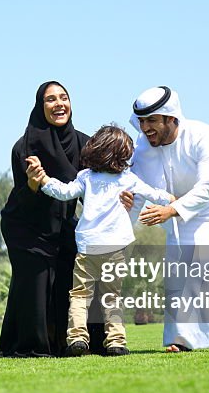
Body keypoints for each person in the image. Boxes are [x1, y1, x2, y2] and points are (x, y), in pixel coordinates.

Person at [122, 86, 209, 353]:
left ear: (171, 118)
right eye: (141, 121)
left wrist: (172, 211)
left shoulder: (202, 134)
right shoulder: (141, 150)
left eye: (152, 120)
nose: (145, 127)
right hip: (180, 209)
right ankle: (182, 340)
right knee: (179, 269)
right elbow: (136, 193)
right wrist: (119, 228)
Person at [29, 124, 175, 356]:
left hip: (88, 247)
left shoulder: (86, 177)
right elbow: (155, 194)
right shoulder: (128, 179)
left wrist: (45, 179)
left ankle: (77, 338)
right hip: (117, 247)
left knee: (79, 295)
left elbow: (64, 192)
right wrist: (176, 201)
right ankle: (116, 342)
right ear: (122, 155)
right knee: (111, 296)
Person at [0, 81, 104, 357]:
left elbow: (92, 188)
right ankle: (33, 344)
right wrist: (34, 181)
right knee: (37, 282)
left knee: (73, 277)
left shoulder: (84, 143)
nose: (59, 104)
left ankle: (77, 342)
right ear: (40, 107)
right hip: (27, 225)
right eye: (50, 99)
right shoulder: (25, 146)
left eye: (63, 98)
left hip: (63, 224)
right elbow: (24, 197)